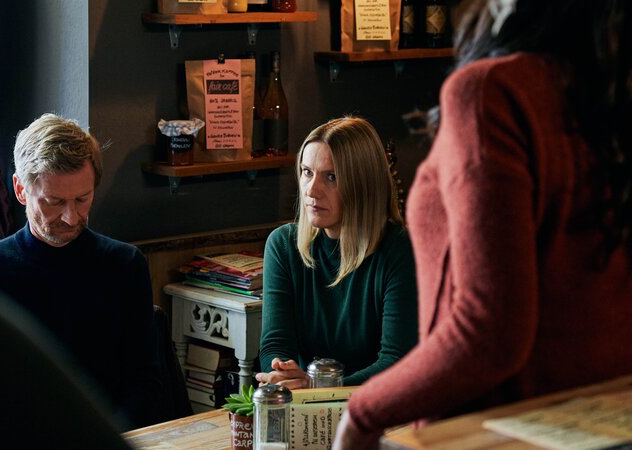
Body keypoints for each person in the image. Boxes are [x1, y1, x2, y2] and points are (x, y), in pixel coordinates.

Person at [333, 1, 632, 448]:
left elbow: (487, 330)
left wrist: (362, 413)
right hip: (605, 419)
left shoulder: (491, 91)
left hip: (497, 429)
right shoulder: (613, 91)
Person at [0, 113, 158, 431]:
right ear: (21, 190)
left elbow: (143, 383)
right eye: (53, 201)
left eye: (82, 199)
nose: (71, 216)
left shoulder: (124, 265)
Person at [254, 116, 418, 390]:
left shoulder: (399, 250)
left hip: (380, 406)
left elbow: (397, 361)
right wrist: (283, 373)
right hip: (306, 407)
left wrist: (320, 390)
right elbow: (275, 345)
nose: (312, 190)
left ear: (363, 184)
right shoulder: (283, 245)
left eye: (331, 177)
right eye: (307, 172)